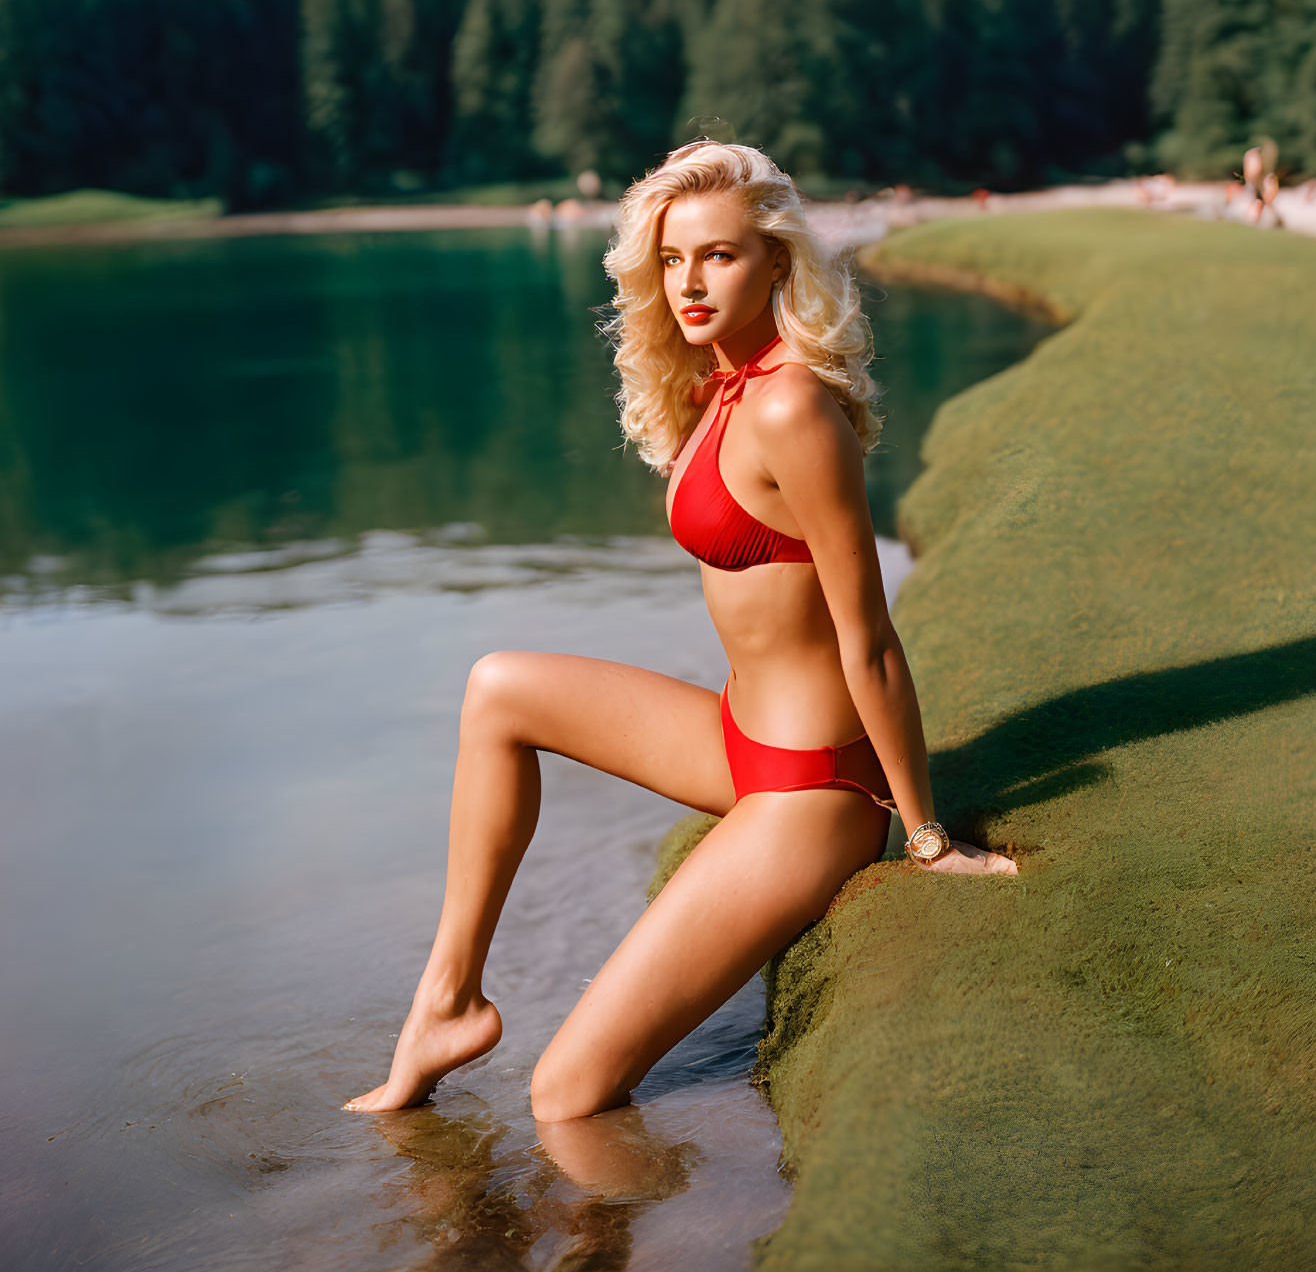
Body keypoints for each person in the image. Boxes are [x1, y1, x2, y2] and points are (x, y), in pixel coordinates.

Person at [343, 139, 1018, 1124]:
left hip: (814, 790)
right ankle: (447, 1002)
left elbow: (867, 638)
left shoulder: (792, 408)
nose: (689, 282)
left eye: (719, 256)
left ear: (778, 262)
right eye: (672, 258)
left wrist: (925, 838)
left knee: (564, 1097)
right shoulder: (721, 384)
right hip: (742, 747)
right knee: (498, 689)